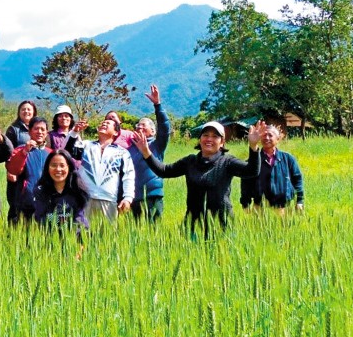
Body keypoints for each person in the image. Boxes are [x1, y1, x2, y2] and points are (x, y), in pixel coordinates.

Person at [133, 120, 265, 239]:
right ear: (200, 139)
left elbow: (251, 171)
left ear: (222, 142)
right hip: (194, 225)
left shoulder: (227, 161)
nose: (209, 139)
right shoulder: (190, 161)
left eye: (215, 136)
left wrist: (253, 147)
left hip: (222, 225)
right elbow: (164, 171)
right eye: (205, 135)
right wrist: (146, 153)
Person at [65, 117, 135, 222]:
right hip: (85, 199)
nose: (104, 124)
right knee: (80, 234)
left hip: (108, 200)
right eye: (103, 122)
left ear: (116, 132)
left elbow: (128, 176)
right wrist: (75, 131)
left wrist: (128, 198)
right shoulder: (86, 145)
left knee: (106, 236)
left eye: (108, 123)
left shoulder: (122, 153)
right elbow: (67, 152)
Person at [128, 84, 171, 222]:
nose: (139, 127)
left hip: (153, 195)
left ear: (152, 131)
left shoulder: (157, 145)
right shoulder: (129, 149)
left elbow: (164, 128)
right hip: (134, 197)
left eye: (143, 125)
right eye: (138, 125)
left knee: (153, 232)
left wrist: (157, 105)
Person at [240, 124, 304, 213]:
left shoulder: (288, 159)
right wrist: (245, 204)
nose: (266, 138)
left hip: (283, 208)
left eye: (270, 135)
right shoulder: (252, 161)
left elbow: (297, 180)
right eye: (264, 135)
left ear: (278, 139)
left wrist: (299, 201)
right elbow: (245, 184)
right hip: (259, 208)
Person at [6, 117, 52, 223]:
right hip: (25, 203)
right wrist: (25, 152)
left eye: (42, 129)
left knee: (46, 236)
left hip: (46, 204)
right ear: (30, 131)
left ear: (46, 133)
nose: (39, 132)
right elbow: (13, 170)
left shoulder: (51, 153)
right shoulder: (20, 150)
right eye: (36, 129)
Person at [33, 149, 90, 232]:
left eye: (62, 165)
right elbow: (40, 219)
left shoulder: (77, 191)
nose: (58, 169)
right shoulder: (40, 191)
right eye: (53, 165)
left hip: (73, 240)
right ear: (47, 168)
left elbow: (79, 221)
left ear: (69, 167)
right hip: (48, 239)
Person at [4, 100, 37, 221]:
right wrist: (10, 171)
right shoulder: (13, 129)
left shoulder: (38, 128)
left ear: (34, 112)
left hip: (33, 172)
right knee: (15, 204)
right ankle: (13, 233)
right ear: (19, 112)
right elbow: (8, 151)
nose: (26, 111)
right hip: (18, 171)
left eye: (29, 109)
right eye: (23, 109)